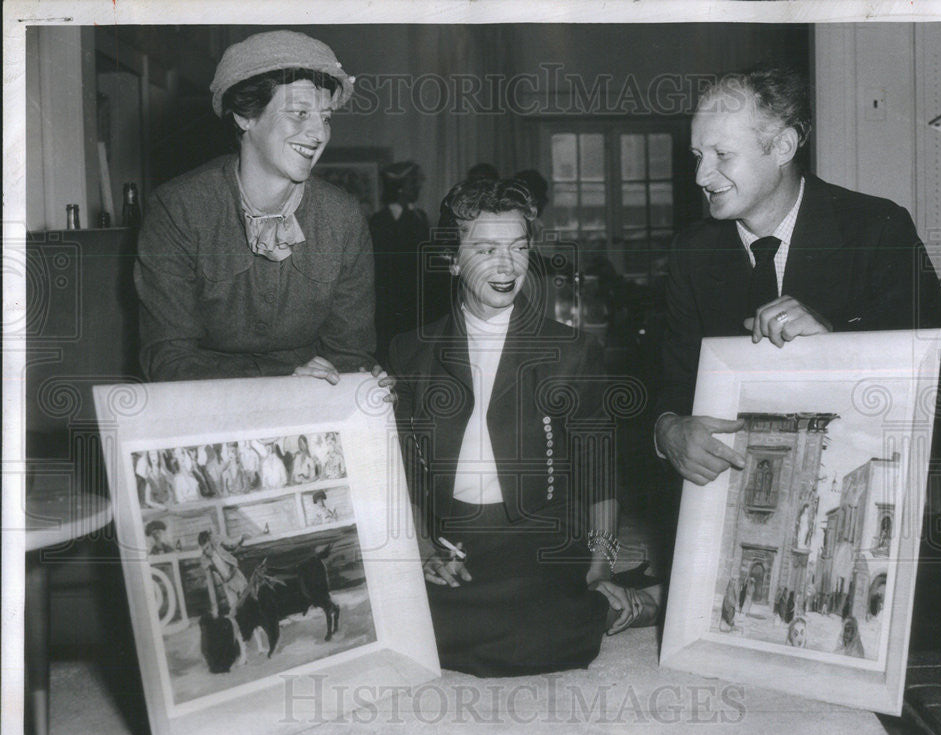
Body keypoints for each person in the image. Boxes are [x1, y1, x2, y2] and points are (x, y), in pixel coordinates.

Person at [390, 178, 660, 677]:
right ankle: (623, 600)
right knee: (406, 632)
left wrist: (600, 564)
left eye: (517, 247)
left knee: (544, 636)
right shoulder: (412, 351)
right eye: (486, 248)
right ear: (452, 258)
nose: (506, 264)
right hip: (456, 542)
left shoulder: (570, 349)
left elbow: (598, 469)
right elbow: (403, 468)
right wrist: (423, 550)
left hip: (542, 539)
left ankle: (628, 599)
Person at [654, 64, 941, 486]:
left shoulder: (876, 228)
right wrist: (668, 430)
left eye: (722, 155)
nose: (701, 177)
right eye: (697, 157)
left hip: (872, 479)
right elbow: (673, 383)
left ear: (783, 145)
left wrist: (835, 346)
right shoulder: (692, 252)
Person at [134, 29, 379, 384]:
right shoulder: (177, 211)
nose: (319, 133)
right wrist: (284, 377)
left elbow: (351, 353)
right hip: (207, 408)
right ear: (245, 116)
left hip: (311, 407)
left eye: (325, 117)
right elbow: (167, 358)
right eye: (299, 113)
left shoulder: (343, 218)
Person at [368, 160, 448, 364]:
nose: (419, 188)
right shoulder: (380, 221)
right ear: (401, 188)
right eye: (414, 183)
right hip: (393, 307)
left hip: (422, 303)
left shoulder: (420, 217)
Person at [198, 530, 248, 618]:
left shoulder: (219, 546)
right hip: (227, 585)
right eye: (204, 550)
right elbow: (211, 587)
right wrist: (215, 609)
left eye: (207, 547)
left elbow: (232, 544)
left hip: (236, 577)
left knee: (248, 601)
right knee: (234, 610)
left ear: (211, 542)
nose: (206, 552)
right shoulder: (206, 560)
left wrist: (241, 537)